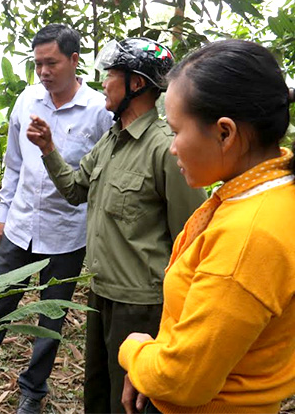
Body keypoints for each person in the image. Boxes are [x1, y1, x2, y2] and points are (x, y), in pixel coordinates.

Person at [0, 24, 113, 414]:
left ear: (74, 60)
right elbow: (13, 163)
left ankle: (33, 389)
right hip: (20, 226)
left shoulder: (99, 111)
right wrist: (2, 215)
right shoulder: (28, 99)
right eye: (38, 64)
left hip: (68, 231)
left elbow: (104, 175)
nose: (44, 72)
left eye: (52, 63)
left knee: (51, 317)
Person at [27, 37, 207, 413]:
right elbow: (76, 190)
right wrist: (48, 150)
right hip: (102, 292)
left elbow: (191, 239)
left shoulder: (164, 149)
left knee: (128, 401)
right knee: (98, 389)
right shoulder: (112, 140)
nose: (104, 83)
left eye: (111, 75)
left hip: (141, 302)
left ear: (136, 84)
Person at [118, 40, 295, 413]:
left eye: (176, 130)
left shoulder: (247, 237)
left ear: (225, 133)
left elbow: (181, 380)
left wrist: (134, 349)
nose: (172, 147)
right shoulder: (271, 195)